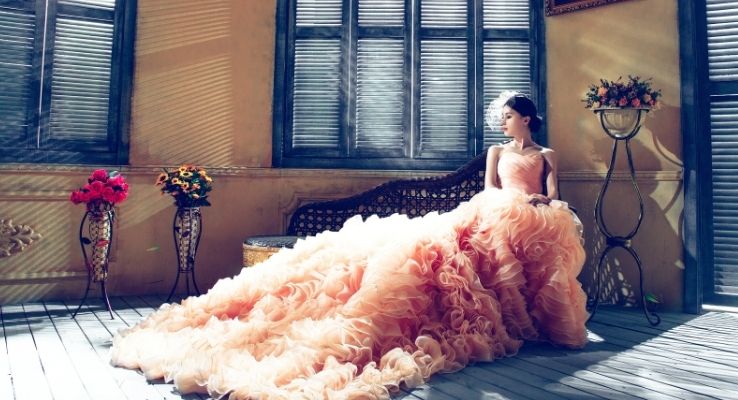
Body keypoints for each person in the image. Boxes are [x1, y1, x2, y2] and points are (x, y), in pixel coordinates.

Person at [110, 92, 589, 399]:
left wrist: (535, 204)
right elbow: (486, 189)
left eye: (508, 117)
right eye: (501, 118)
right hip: (492, 210)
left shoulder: (545, 154)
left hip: (530, 213)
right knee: (468, 246)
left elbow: (553, 196)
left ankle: (530, 321)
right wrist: (504, 204)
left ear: (526, 118)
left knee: (546, 233)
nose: (503, 124)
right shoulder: (496, 152)